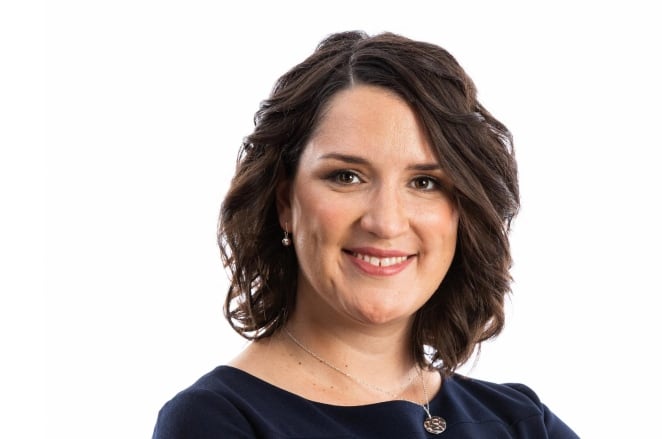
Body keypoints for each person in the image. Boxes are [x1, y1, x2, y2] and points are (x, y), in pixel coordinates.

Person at [152, 30, 579, 438]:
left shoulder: (520, 420)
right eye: (347, 176)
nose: (386, 221)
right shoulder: (216, 420)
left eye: (425, 182)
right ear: (285, 202)